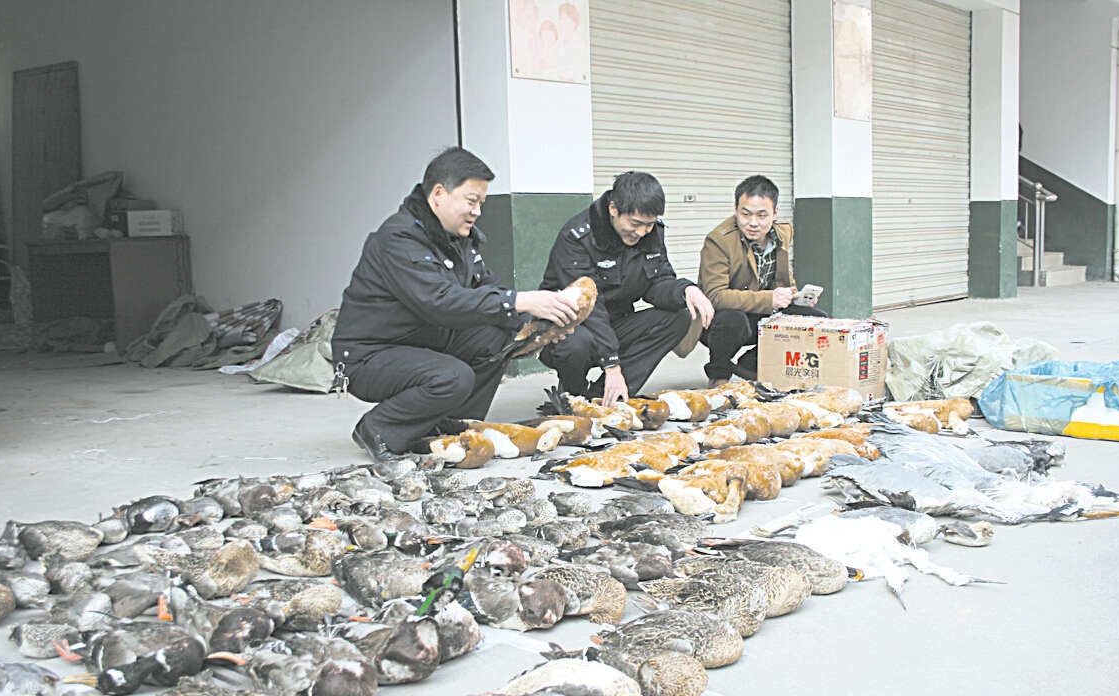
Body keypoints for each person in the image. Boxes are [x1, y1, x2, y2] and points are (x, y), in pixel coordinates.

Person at [330, 147, 579, 461]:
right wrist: (522, 300)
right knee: (452, 376)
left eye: (482, 203)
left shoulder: (459, 239)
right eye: (471, 201)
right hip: (369, 355)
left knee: (499, 336)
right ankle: (379, 428)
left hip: (420, 340)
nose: (477, 211)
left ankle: (452, 428)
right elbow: (439, 302)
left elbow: (487, 289)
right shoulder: (398, 240)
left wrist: (531, 327)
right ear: (438, 194)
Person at [538, 171, 715, 405]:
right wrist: (612, 364)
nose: (641, 233)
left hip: (618, 323)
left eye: (649, 225)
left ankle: (606, 397)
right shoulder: (578, 238)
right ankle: (574, 395)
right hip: (571, 327)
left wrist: (684, 289)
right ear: (613, 209)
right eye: (635, 224)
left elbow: (657, 282)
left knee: (677, 318)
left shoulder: (651, 234)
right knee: (576, 343)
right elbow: (589, 308)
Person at [677, 175, 827, 386]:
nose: (753, 223)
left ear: (775, 214)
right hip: (720, 320)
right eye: (745, 214)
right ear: (736, 210)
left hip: (761, 311)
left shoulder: (783, 231)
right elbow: (715, 296)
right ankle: (719, 373)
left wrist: (794, 297)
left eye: (762, 215)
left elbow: (782, 279)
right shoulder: (719, 241)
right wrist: (770, 299)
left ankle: (750, 365)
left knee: (815, 319)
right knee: (733, 320)